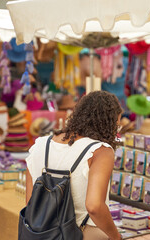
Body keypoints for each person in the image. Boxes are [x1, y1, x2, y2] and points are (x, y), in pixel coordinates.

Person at [25, 91, 122, 240]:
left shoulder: (40, 145)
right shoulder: (100, 151)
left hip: (41, 233)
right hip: (82, 233)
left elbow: (31, 202)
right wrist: (115, 237)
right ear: (109, 123)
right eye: (117, 124)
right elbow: (94, 206)